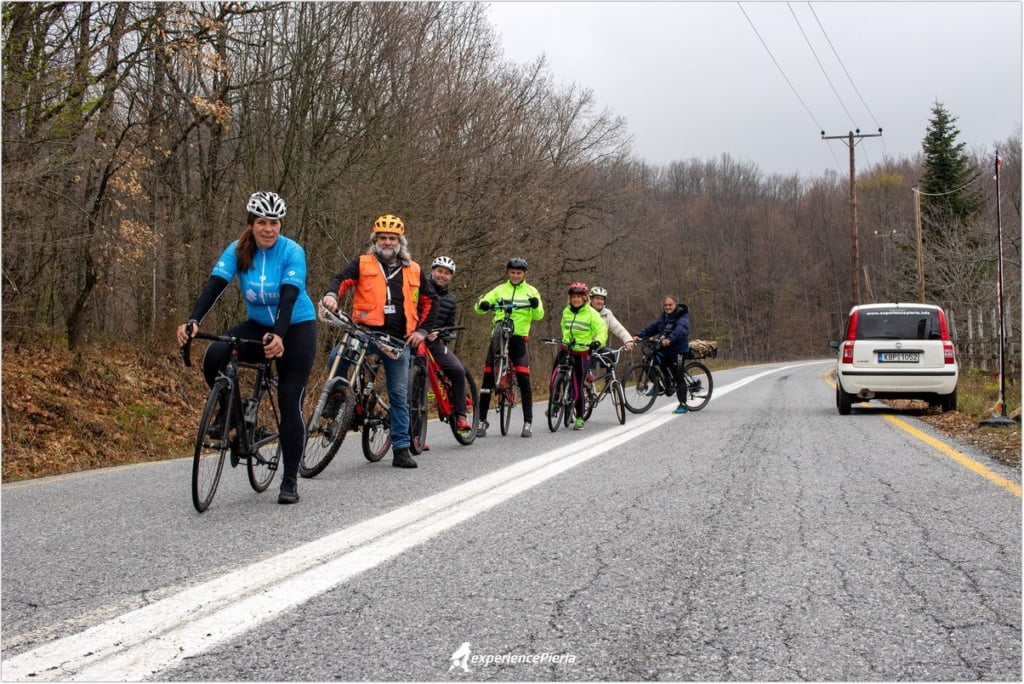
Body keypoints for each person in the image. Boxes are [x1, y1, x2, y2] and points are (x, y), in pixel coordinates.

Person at [176, 191, 317, 504]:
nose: (269, 229)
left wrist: (279, 336)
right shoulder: (238, 250)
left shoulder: (292, 251)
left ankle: (290, 479)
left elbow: (290, 297)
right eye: (262, 222)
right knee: (216, 354)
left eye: (274, 223)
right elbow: (215, 285)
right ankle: (230, 413)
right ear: (251, 224)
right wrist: (193, 320)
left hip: (295, 327)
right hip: (256, 326)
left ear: (281, 224)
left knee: (289, 398)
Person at [320, 214, 437, 468]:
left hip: (398, 341)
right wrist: (331, 295)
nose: (387, 242)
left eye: (392, 238)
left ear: (400, 241)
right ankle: (338, 399)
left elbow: (430, 302)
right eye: (382, 238)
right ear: (375, 240)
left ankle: (401, 448)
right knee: (336, 356)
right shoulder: (362, 263)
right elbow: (340, 280)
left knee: (398, 393)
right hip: (364, 333)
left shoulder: (414, 269)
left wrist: (423, 331)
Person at [474, 257, 544, 438]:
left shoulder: (531, 291)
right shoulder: (500, 289)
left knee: (523, 378)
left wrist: (535, 306)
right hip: (498, 335)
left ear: (524, 274)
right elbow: (480, 306)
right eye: (512, 272)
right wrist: (482, 304)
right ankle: (481, 421)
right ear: (508, 272)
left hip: (518, 336)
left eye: (518, 273)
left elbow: (539, 315)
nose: (515, 275)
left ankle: (527, 422)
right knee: (487, 378)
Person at [425, 256, 472, 433]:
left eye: (446, 273)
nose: (442, 275)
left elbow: (450, 326)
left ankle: (461, 416)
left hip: (435, 344)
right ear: (432, 271)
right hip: (414, 341)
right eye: (439, 271)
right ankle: (414, 434)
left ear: (451, 277)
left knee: (458, 370)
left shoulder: (451, 300)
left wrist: (440, 332)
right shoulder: (421, 289)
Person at [555, 283, 606, 430]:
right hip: (567, 349)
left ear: (584, 298)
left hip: (582, 352)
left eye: (579, 297)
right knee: (554, 377)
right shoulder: (566, 311)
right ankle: (554, 402)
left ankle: (579, 418)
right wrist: (564, 339)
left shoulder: (592, 314)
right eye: (573, 297)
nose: (576, 299)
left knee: (577, 386)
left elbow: (602, 330)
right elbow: (564, 327)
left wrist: (597, 342)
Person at [635, 295, 691, 414]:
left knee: (678, 376)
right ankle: (658, 385)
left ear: (675, 305)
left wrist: (670, 339)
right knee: (649, 360)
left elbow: (681, 329)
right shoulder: (664, 317)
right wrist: (638, 336)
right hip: (665, 349)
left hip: (678, 350)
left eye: (670, 305)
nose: (668, 307)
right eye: (665, 305)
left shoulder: (682, 316)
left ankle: (683, 404)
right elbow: (653, 327)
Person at [588, 285, 634, 379]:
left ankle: (610, 383)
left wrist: (628, 340)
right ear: (591, 299)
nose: (599, 301)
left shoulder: (607, 313)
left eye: (602, 299)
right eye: (597, 298)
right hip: (585, 348)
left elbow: (618, 328)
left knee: (611, 355)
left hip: (599, 347)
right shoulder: (584, 312)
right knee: (584, 368)